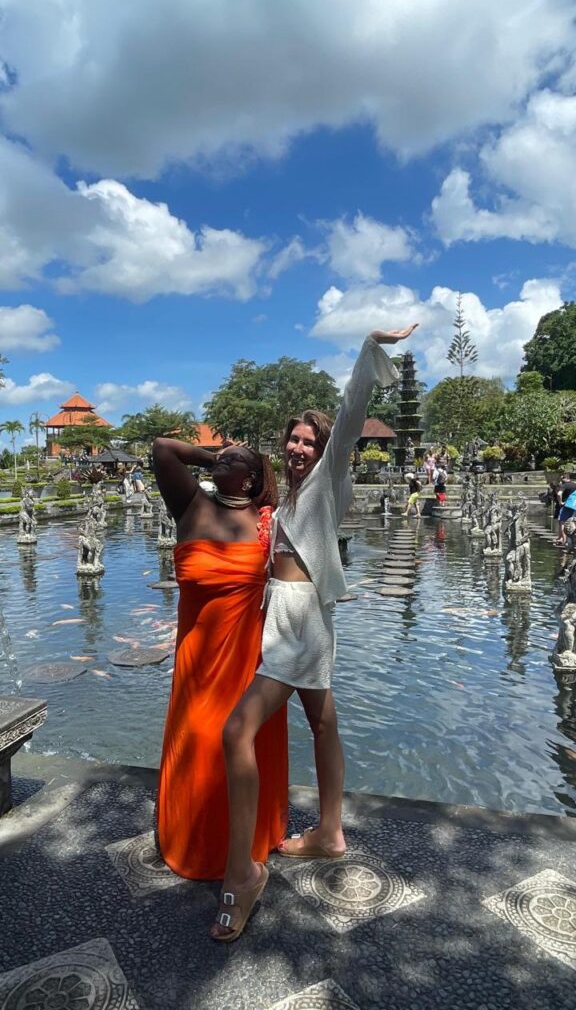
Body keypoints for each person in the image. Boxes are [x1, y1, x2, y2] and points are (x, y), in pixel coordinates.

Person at [211, 323, 418, 942]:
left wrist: (368, 348)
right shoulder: (289, 499)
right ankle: (329, 831)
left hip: (299, 622)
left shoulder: (326, 481)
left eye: (309, 441)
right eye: (293, 440)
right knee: (323, 724)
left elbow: (350, 415)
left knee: (236, 731)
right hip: (295, 617)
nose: (299, 448)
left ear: (323, 449)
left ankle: (242, 873)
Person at [152, 436, 288, 881]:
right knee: (198, 743)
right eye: (222, 454)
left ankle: (247, 846)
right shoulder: (191, 505)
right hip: (198, 661)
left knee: (243, 745)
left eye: (237, 458)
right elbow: (163, 449)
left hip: (248, 661)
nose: (225, 456)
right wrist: (216, 457)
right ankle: (193, 842)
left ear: (251, 478)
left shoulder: (267, 520)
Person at [555, 472, 576, 547]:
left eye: (561, 478)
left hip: (566, 506)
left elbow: (559, 494)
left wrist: (560, 502)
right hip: (574, 506)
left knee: (562, 522)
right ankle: (571, 541)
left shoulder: (564, 485)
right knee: (573, 522)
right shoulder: (574, 485)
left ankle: (563, 540)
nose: (561, 479)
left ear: (565, 478)